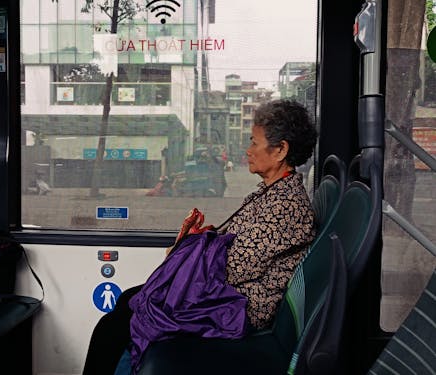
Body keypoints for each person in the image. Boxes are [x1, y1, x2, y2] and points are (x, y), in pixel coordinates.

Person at [82, 99, 318, 375]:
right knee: (129, 300)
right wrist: (195, 243)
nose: (248, 150)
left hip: (237, 308)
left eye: (254, 143)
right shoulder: (268, 194)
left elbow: (232, 267)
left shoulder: (286, 206)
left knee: (115, 326)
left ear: (280, 150)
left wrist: (186, 254)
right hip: (224, 295)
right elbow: (233, 244)